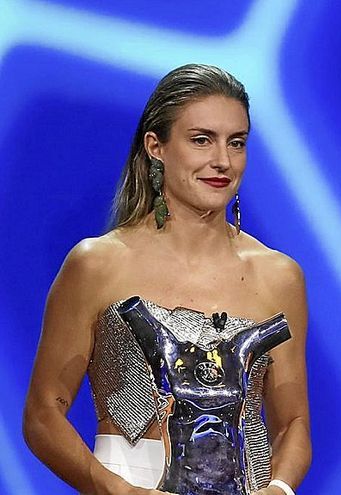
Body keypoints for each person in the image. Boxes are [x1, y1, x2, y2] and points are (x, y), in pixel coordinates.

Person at [23, 64, 310, 495]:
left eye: (237, 143)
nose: (223, 161)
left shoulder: (278, 274)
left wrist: (280, 488)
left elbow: (293, 423)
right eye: (201, 140)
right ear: (156, 147)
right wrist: (116, 490)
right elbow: (44, 413)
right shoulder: (98, 264)